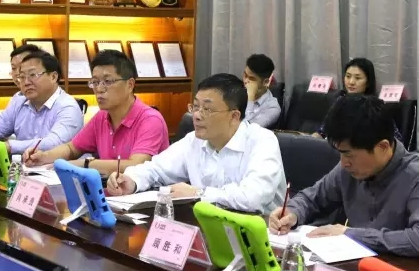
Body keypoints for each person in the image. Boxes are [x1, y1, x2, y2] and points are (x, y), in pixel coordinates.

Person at [269, 94, 419, 263]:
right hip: (361, 270)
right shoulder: (348, 170)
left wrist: (350, 235)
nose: (344, 163)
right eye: (341, 154)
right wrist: (292, 213)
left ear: (382, 147)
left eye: (349, 155)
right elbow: (313, 198)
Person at [107, 73, 286, 214]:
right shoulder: (193, 140)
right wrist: (132, 181)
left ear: (234, 116)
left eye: (207, 109)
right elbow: (156, 169)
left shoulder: (262, 141)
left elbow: (253, 198)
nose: (197, 115)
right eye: (195, 107)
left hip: (262, 234)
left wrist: (198, 194)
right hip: (208, 227)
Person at [24, 50, 169, 174]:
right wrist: (44, 156)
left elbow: (136, 166)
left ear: (130, 85)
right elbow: (72, 148)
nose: (99, 89)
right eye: (95, 82)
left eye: (108, 81)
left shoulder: (150, 120)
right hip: (110, 191)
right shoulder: (102, 116)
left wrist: (87, 164)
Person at [0, 51, 83, 155]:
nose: (26, 82)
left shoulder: (68, 107)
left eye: (32, 75)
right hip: (25, 170)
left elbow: (54, 143)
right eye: (22, 77)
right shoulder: (20, 100)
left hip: (58, 171)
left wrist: (10, 146)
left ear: (53, 77)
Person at [313, 58, 402, 142]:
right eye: (348, 76)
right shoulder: (340, 101)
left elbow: (396, 140)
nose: (351, 82)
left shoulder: (377, 107)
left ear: (368, 82)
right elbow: (323, 131)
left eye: (358, 78)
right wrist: (311, 139)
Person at [243, 54, 281, 128]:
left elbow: (248, 129)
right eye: (245, 75)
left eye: (251, 78)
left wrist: (250, 100)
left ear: (265, 82)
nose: (245, 81)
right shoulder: (239, 92)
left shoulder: (272, 108)